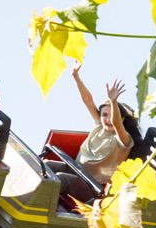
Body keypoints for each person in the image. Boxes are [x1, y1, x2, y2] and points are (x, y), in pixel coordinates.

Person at [56, 63, 142, 202]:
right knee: (46, 164)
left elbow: (116, 123)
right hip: (76, 170)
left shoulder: (122, 140)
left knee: (61, 178)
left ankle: (35, 203)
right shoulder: (99, 126)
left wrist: (114, 101)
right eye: (104, 115)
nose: (107, 119)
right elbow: (88, 101)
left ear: (122, 118)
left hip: (92, 187)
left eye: (111, 115)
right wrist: (76, 77)